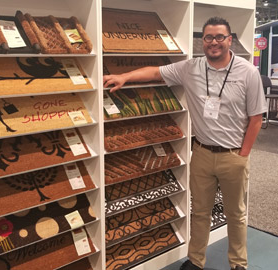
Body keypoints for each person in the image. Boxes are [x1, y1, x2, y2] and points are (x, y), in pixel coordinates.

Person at [103, 17, 267, 270]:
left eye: (219, 37)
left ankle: (238, 264)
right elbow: (155, 72)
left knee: (236, 214)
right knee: (199, 212)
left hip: (233, 156)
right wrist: (124, 76)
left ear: (229, 40)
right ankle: (196, 262)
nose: (214, 43)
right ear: (203, 41)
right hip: (201, 153)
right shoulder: (191, 68)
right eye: (209, 37)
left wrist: (242, 155)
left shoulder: (248, 72)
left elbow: (256, 118)